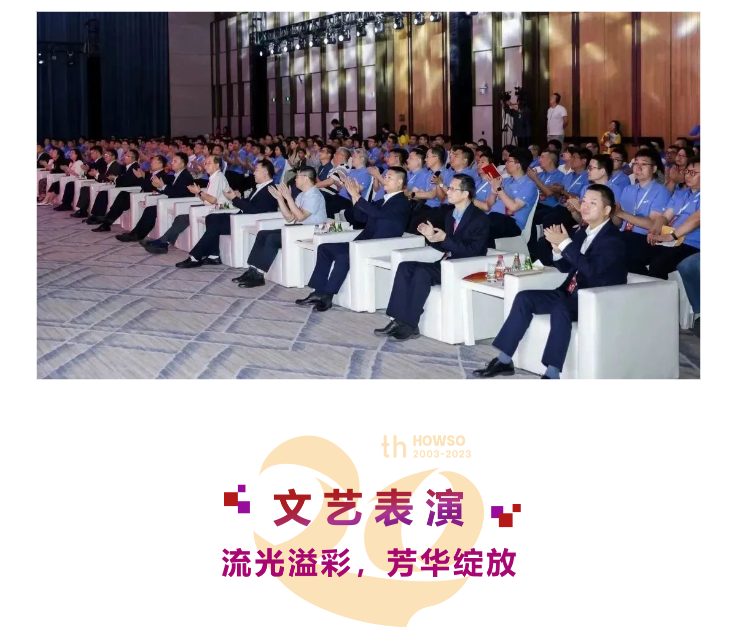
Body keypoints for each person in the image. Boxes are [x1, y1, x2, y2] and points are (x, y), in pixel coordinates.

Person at [474, 184, 627, 379]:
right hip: (570, 293)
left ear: (606, 210)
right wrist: (557, 249)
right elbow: (566, 267)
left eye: (593, 203)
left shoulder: (612, 239)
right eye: (584, 201)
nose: (585, 206)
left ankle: (552, 373)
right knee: (524, 298)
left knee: (560, 308)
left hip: (595, 298)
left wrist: (565, 243)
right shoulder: (584, 231)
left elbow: (592, 272)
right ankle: (504, 361)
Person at [376, 174, 491, 342]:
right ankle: (398, 319)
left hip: (466, 267)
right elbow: (445, 246)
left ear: (465, 194)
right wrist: (432, 238)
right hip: (448, 263)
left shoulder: (480, 219)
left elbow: (472, 251)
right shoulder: (451, 215)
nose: (447, 192)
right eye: (449, 188)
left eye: (452, 189)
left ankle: (410, 324)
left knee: (422, 272)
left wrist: (445, 238)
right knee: (405, 266)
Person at [296, 167, 411, 311]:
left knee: (343, 255)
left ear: (399, 182)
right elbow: (361, 217)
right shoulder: (383, 200)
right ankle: (318, 291)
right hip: (364, 242)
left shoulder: (402, 202)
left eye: (389, 177)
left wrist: (357, 196)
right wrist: (354, 196)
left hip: (380, 245)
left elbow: (377, 214)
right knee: (324, 248)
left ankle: (328, 295)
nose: (384, 180)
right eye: (385, 176)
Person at [233, 167, 327, 288]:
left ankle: (259, 275)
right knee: (263, 234)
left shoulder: (314, 196)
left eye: (297, 177)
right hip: (298, 229)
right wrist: (280, 199)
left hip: (312, 231)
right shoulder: (302, 195)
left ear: (306, 178)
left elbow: (301, 217)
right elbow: (290, 218)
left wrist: (288, 198)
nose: (295, 180)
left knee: (272, 238)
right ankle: (252, 270)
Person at [174, 159, 279, 268]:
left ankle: (195, 257)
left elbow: (255, 211)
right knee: (211, 218)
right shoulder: (262, 186)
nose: (254, 173)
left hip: (249, 220)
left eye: (256, 170)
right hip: (243, 216)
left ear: (265, 173)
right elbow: (250, 204)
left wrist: (234, 199)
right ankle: (214, 255)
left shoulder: (270, 190)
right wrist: (238, 197)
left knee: (215, 226)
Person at [142, 155, 230, 254]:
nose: (206, 165)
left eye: (209, 163)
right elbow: (208, 198)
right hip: (211, 207)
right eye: (205, 163)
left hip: (221, 208)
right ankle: (164, 242)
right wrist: (198, 192)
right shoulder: (214, 177)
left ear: (217, 165)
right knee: (181, 217)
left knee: (182, 218)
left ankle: (163, 242)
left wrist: (199, 192)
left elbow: (213, 200)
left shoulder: (218, 177)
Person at [612, 150, 671, 274]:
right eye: (635, 163)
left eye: (643, 164)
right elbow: (618, 223)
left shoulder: (661, 191)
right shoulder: (628, 189)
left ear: (654, 169)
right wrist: (611, 212)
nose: (638, 168)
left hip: (644, 238)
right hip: (623, 234)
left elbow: (653, 224)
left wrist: (622, 213)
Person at [115, 152, 194, 243]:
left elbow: (178, 193)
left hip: (182, 203)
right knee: (150, 209)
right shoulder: (176, 175)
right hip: (173, 201)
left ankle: (137, 235)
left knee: (151, 210)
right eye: (172, 161)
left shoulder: (185, 176)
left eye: (175, 161)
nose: (172, 163)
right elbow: (170, 190)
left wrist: (162, 186)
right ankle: (135, 234)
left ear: (182, 164)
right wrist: (159, 189)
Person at [646, 156, 700, 279]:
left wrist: (672, 236)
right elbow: (665, 216)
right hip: (671, 241)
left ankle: (664, 291)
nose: (688, 175)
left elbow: (697, 220)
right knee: (635, 255)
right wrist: (654, 229)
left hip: (691, 243)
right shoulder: (680, 193)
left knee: (658, 266)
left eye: (693, 173)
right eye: (687, 171)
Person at [91, 155, 170, 232]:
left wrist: (140, 177)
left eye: (154, 162)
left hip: (150, 196)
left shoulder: (163, 175)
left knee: (123, 197)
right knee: (123, 194)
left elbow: (147, 187)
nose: (151, 164)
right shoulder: (152, 173)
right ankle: (106, 222)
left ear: (161, 164)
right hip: (142, 194)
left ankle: (107, 220)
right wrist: (142, 176)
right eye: (151, 162)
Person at [484, 147, 539, 247]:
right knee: (474, 221)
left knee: (485, 225)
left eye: (509, 161)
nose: (506, 164)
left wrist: (499, 189)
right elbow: (490, 205)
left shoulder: (529, 185)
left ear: (518, 165)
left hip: (511, 223)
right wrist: (493, 191)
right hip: (494, 218)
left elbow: (513, 207)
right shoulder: (506, 181)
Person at [85, 149, 143, 225]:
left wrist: (115, 178)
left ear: (133, 158)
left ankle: (100, 217)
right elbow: (124, 179)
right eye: (125, 155)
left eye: (127, 156)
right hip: (122, 188)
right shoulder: (129, 166)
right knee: (102, 193)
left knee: (104, 194)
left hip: (129, 190)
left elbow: (127, 182)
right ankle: (96, 216)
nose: (124, 157)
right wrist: (115, 179)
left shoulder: (134, 167)